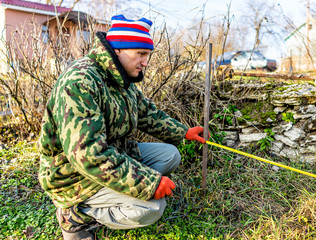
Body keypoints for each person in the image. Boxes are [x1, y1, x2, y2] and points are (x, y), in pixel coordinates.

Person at [38, 14, 207, 240]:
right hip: (73, 174)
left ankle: (118, 192)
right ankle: (76, 214)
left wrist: (182, 132)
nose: (146, 62)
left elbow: (147, 112)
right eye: (141, 54)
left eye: (147, 55)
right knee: (152, 208)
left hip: (115, 153)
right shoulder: (81, 81)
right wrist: (147, 183)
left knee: (170, 155)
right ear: (118, 50)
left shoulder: (120, 77)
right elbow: (89, 154)